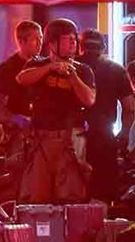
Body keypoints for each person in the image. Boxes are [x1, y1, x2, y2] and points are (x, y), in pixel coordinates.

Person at [16, 18, 95, 203]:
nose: (73, 43)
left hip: (71, 140)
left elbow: (89, 99)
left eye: (74, 39)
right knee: (38, 198)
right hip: (41, 140)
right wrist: (50, 67)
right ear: (52, 43)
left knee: (70, 197)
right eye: (68, 39)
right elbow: (22, 79)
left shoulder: (83, 70)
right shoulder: (36, 64)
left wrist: (72, 75)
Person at [76, 29, 135, 200]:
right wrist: (124, 134)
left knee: (74, 190)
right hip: (104, 137)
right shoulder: (116, 70)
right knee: (104, 191)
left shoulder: (72, 68)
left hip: (74, 137)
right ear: (104, 48)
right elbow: (129, 108)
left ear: (80, 47)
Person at [0, 20, 42, 122]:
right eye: (35, 39)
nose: (40, 43)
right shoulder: (5, 70)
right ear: (21, 42)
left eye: (41, 38)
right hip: (16, 129)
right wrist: (18, 120)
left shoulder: (44, 65)